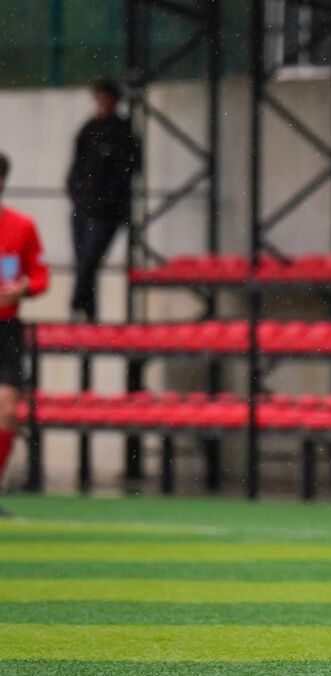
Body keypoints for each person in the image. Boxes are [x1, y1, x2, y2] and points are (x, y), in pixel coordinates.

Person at [66, 77, 140, 323]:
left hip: (106, 211)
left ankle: (77, 306)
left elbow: (129, 170)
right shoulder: (89, 129)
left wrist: (108, 198)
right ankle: (89, 315)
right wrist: (76, 193)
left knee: (88, 262)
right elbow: (77, 165)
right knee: (84, 265)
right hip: (83, 207)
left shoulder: (122, 132)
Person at [0, 152, 50, 514]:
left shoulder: (22, 226)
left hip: (6, 329)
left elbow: (42, 276)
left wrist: (24, 288)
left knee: (7, 409)